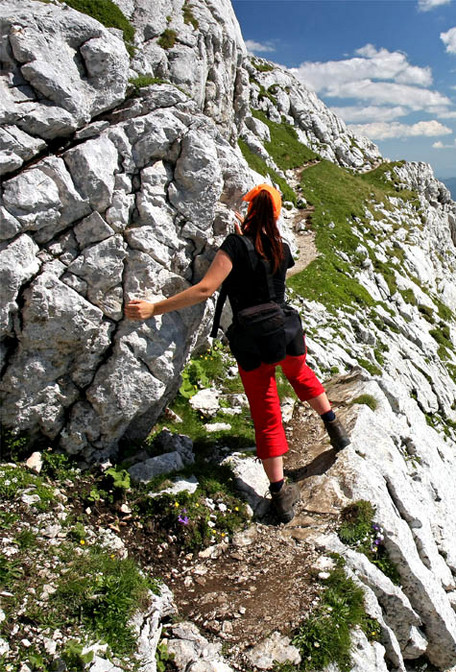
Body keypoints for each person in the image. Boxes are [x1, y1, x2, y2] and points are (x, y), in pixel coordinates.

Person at [125, 184, 350, 523]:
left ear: (247, 211)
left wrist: (154, 308)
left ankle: (280, 495)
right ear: (275, 215)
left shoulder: (235, 245)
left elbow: (205, 290)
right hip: (287, 330)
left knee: (267, 409)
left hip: (253, 341)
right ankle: (334, 427)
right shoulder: (282, 247)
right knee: (300, 373)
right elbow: (268, 261)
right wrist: (248, 235)